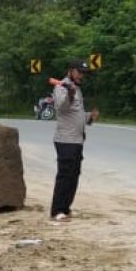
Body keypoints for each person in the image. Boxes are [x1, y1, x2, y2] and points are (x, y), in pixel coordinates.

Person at [50, 60, 99, 223]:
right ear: (71, 71)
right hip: (65, 139)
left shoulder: (76, 89)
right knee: (65, 175)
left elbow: (77, 114)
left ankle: (65, 207)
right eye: (79, 72)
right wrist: (69, 94)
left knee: (74, 175)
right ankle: (57, 210)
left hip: (77, 140)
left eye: (83, 72)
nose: (82, 75)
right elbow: (61, 108)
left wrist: (89, 117)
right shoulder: (61, 87)